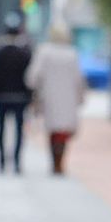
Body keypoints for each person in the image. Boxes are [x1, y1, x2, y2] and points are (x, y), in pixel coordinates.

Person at [25, 23, 87, 175]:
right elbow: (79, 79)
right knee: (63, 131)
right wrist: (80, 97)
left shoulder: (44, 52)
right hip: (68, 97)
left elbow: (33, 76)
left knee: (53, 130)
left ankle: (55, 161)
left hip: (49, 96)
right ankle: (60, 161)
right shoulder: (72, 53)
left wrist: (33, 89)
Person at [0, 12, 33, 173]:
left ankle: (1, 160)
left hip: (2, 96)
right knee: (19, 130)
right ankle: (17, 161)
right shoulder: (25, 53)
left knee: (1, 129)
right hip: (20, 97)